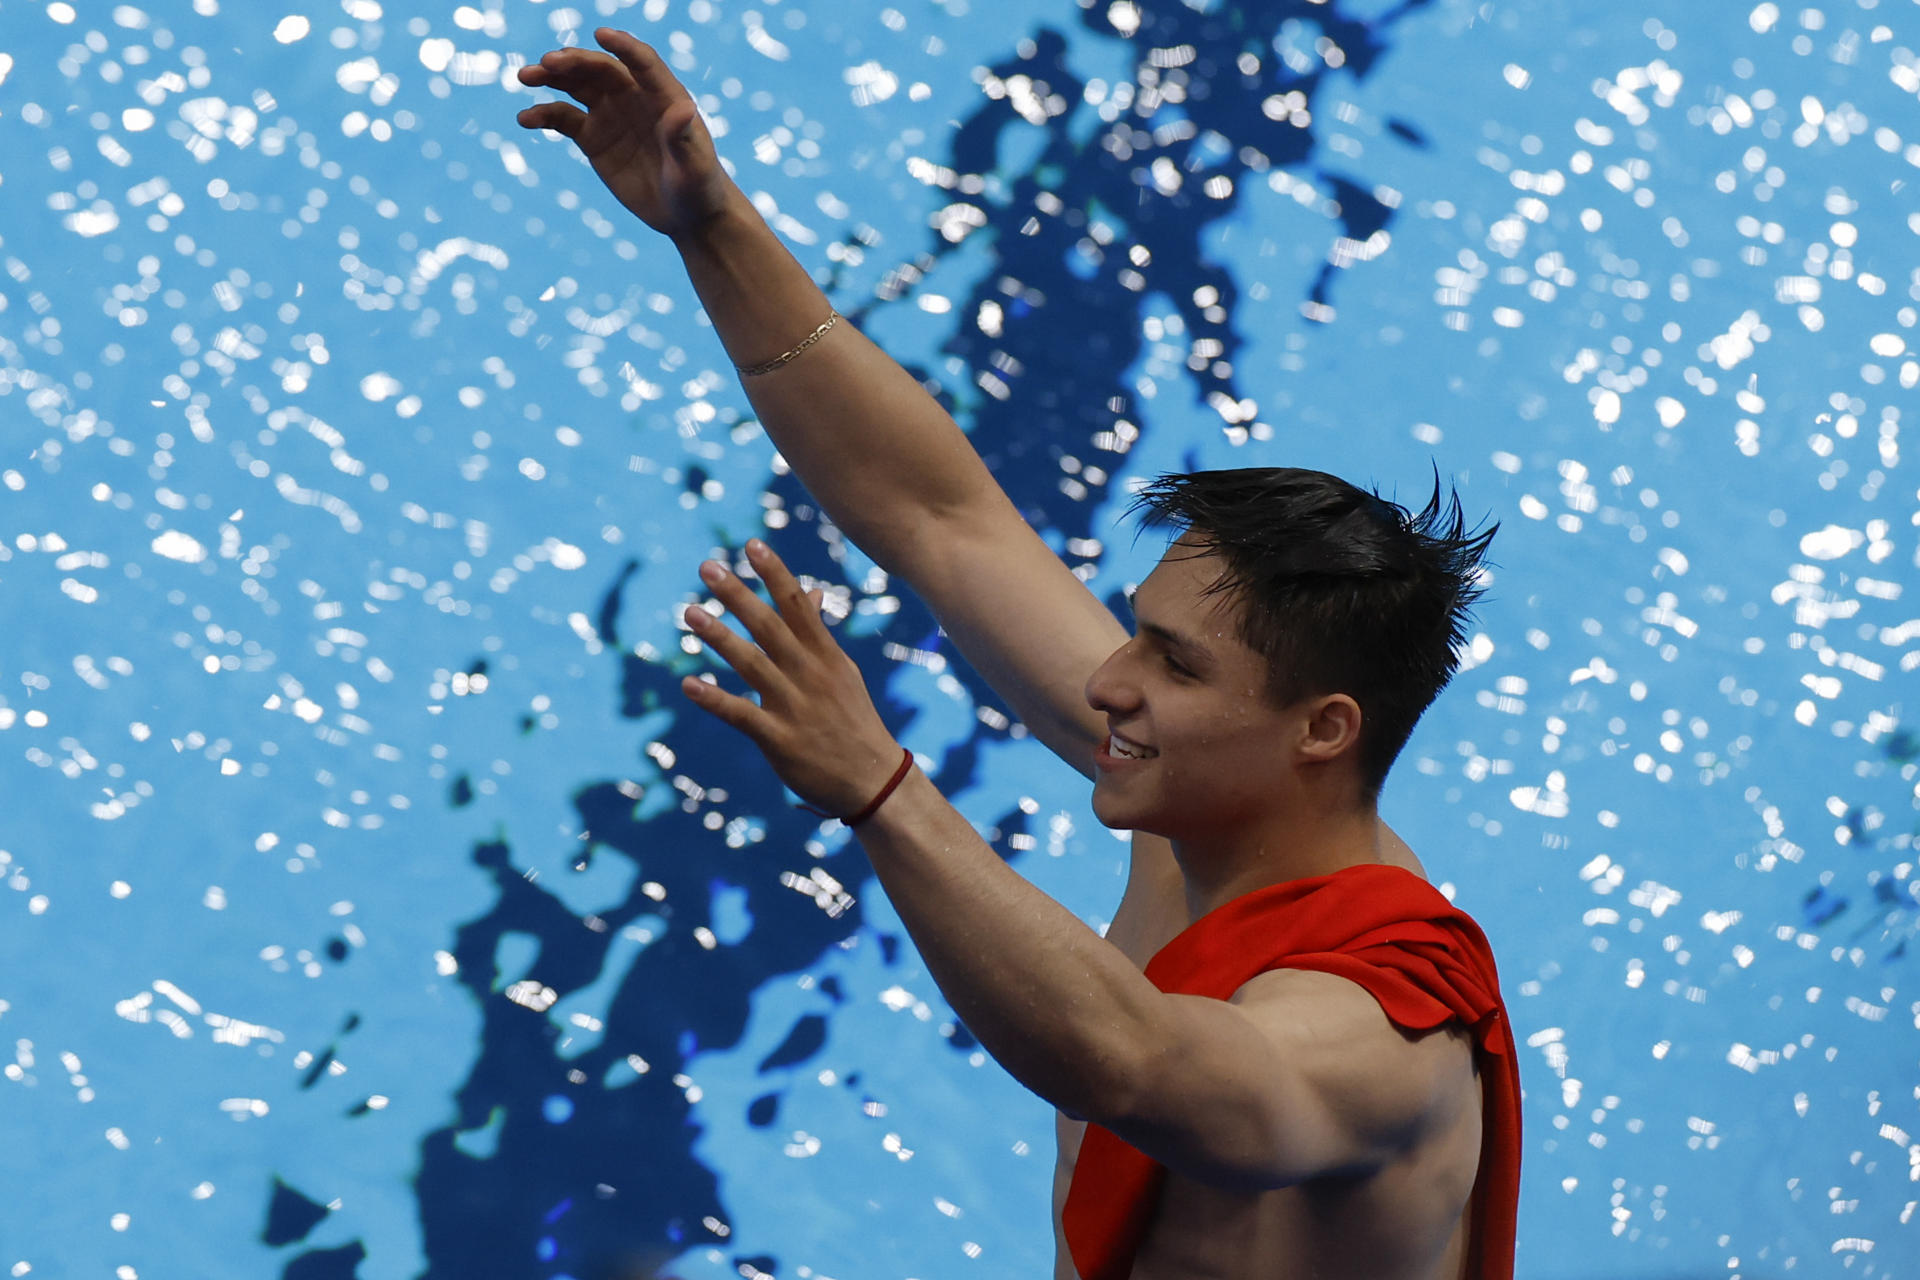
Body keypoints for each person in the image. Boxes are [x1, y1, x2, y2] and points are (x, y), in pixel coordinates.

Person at [515, 28, 1519, 1280]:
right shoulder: (1197, 800)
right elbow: (941, 518)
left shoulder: (1379, 1028)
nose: (1108, 680)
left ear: (1323, 727)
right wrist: (708, 223)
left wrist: (881, 788)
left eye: (1175, 664)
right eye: (1140, 635)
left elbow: (1136, 1058)